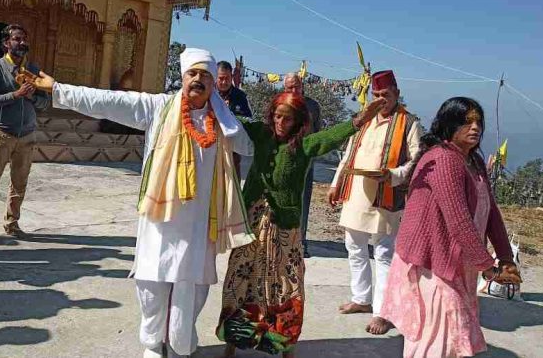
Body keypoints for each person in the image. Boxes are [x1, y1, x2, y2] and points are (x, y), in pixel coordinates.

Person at [31, 48, 254, 358]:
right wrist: (58, 90)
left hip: (200, 223)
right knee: (152, 283)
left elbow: (250, 143)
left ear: (213, 84)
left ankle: (180, 343)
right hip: (159, 220)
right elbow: (107, 102)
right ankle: (153, 343)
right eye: (193, 73)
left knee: (192, 287)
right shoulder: (158, 107)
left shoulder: (224, 124)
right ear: (183, 77)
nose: (198, 80)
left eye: (205, 75)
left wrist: (231, 114)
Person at [217, 93, 385, 357]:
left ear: (298, 122)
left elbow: (333, 136)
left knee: (286, 286)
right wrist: (215, 101)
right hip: (253, 223)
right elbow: (234, 121)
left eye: (288, 118)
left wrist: (362, 117)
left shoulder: (304, 146)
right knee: (241, 278)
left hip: (285, 230)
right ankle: (234, 341)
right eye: (277, 116)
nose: (281, 122)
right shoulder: (261, 134)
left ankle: (285, 345)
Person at [381, 97, 521, 358]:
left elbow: (490, 212)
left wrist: (505, 257)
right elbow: (458, 220)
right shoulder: (444, 159)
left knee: (453, 338)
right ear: (448, 125)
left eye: (478, 121)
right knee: (437, 338)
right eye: (466, 121)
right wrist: (489, 267)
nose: (475, 127)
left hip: (460, 260)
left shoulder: (474, 162)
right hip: (433, 262)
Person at [327, 70, 423, 335]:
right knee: (354, 246)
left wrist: (393, 175)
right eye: (377, 94)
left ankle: (383, 311)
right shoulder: (364, 119)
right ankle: (361, 299)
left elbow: (416, 159)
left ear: (397, 93)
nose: (382, 99)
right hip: (356, 191)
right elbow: (348, 154)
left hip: (387, 193)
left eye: (386, 94)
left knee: (383, 253)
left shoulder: (410, 123)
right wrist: (336, 184)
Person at [0, 24, 50, 244]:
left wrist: (32, 97)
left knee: (19, 183)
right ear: (6, 43)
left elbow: (45, 103)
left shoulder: (33, 70)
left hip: (26, 135)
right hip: (1, 134)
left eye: (24, 38)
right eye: (17, 39)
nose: (22, 43)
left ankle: (12, 223)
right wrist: (16, 94)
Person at [283, 72, 321, 258]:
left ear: (302, 85)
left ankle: (301, 242)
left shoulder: (313, 106)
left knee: (303, 202)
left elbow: (318, 132)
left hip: (305, 161)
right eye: (290, 87)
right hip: (283, 161)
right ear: (284, 88)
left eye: (296, 86)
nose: (294, 90)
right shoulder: (279, 103)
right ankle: (281, 239)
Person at [217, 60, 253, 179]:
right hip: (211, 145)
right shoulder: (209, 93)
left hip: (233, 148)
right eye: (221, 78)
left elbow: (248, 119)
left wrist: (231, 115)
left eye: (227, 78)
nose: (224, 82)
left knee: (232, 181)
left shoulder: (240, 96)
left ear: (231, 76)